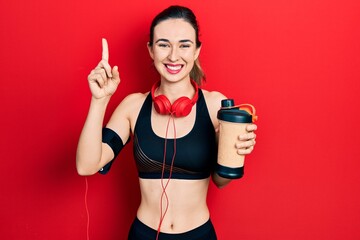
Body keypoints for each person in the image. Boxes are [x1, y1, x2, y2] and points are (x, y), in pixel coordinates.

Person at [76, 5, 257, 240]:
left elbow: (220, 181)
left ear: (196, 51)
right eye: (163, 44)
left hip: (199, 235)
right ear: (151, 50)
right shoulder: (133, 106)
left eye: (184, 45)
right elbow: (86, 165)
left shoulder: (216, 106)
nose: (173, 56)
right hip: (144, 234)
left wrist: (235, 155)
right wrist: (99, 101)